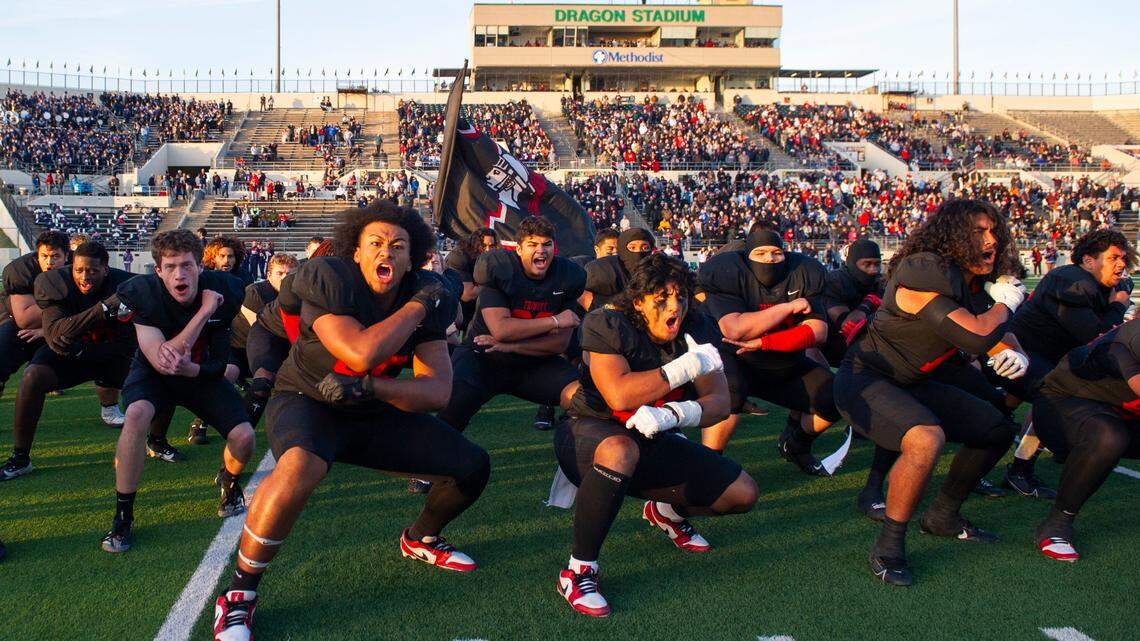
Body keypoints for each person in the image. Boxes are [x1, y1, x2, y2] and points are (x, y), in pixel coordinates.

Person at [212, 202, 488, 641]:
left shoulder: (427, 293)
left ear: (414, 255)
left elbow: (437, 392)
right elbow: (359, 353)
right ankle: (239, 595)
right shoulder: (331, 278)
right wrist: (415, 308)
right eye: (375, 243)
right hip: (307, 398)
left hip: (367, 406)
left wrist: (376, 390)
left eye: (399, 245)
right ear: (355, 252)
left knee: (472, 466)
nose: (387, 252)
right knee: (301, 466)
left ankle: (420, 538)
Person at [833, 199, 1028, 586]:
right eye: (978, 232)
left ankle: (943, 515)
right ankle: (889, 546)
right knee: (926, 438)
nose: (990, 240)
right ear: (953, 237)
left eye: (993, 231)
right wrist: (1005, 304)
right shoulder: (924, 269)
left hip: (912, 382)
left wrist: (1016, 351)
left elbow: (996, 332)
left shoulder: (973, 278)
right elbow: (974, 334)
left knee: (996, 429)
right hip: (866, 376)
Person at [554, 254, 757, 617]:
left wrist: (675, 413)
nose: (674, 306)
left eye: (680, 296)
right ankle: (579, 570)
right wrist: (686, 367)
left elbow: (721, 402)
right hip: (591, 433)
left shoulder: (698, 326)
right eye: (662, 298)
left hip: (654, 433)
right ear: (638, 302)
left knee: (742, 494)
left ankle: (666, 511)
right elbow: (620, 395)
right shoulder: (607, 322)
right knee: (619, 450)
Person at [102, 230, 255, 553]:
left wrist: (196, 370)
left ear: (200, 266)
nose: (179, 274)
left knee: (245, 436)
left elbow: (220, 361)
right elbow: (163, 360)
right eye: (170, 266)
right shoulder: (142, 292)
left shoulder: (226, 288)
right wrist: (203, 312)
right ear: (157, 271)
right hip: (153, 376)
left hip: (200, 374)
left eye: (186, 265)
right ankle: (123, 515)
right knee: (136, 413)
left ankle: (228, 481)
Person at [1, 242, 184, 482]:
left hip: (110, 354)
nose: (84, 277)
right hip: (71, 355)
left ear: (106, 270)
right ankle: (21, 457)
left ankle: (157, 441)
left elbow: (128, 342)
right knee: (33, 376)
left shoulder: (125, 284)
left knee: (163, 368)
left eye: (92, 271)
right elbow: (56, 337)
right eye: (79, 271)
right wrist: (104, 309)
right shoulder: (54, 282)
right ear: (71, 267)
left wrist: (80, 337)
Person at [991, 229, 1135, 498]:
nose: (1121, 264)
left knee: (1000, 413)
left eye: (1123, 258)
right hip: (1019, 354)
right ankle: (1020, 470)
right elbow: (1095, 337)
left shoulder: (1090, 283)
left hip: (1034, 355)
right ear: (1088, 260)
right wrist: (1118, 305)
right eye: (1113, 257)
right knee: (1058, 393)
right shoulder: (1074, 281)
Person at [698, 224, 842, 472]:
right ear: (747, 255)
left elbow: (817, 332)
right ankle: (708, 465)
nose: (770, 259)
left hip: (783, 362)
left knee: (834, 397)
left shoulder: (804, 272)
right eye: (761, 253)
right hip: (738, 359)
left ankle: (795, 444)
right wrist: (788, 307)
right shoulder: (729, 272)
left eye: (776, 253)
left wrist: (765, 341)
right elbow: (734, 329)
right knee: (729, 392)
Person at [438, 217, 585, 437]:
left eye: (546, 244)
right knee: (454, 405)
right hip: (483, 357)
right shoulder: (499, 269)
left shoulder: (566, 277)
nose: (541, 251)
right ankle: (425, 465)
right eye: (533, 244)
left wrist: (508, 346)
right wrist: (555, 321)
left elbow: (558, 344)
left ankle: (575, 464)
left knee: (583, 398)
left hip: (532, 364)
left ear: (555, 247)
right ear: (519, 249)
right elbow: (501, 329)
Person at [1031, 319, 1140, 563]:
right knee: (1109, 437)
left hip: (1119, 412)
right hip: (1061, 408)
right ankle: (1057, 523)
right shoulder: (1132, 339)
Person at [822, 239, 893, 519]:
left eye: (877, 264)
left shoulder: (881, 284)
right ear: (853, 264)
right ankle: (797, 439)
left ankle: (864, 427)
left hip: (869, 348)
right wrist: (867, 304)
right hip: (831, 347)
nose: (874, 270)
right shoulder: (836, 282)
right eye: (867, 264)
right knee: (823, 398)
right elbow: (846, 325)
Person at [229, 253, 299, 424]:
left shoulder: (299, 294)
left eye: (290, 274)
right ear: (268, 275)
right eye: (280, 273)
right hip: (239, 348)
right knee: (228, 375)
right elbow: (262, 330)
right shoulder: (256, 292)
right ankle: (201, 423)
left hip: (273, 346)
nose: (285, 279)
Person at [0, 232, 71, 400]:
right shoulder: (22, 270)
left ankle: (110, 407)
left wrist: (44, 330)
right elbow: (25, 319)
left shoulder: (79, 269)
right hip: (12, 318)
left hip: (56, 327)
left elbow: (90, 309)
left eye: (55, 256)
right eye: (44, 256)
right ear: (36, 254)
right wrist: (70, 304)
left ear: (67, 256)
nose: (49, 262)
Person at [580, 228, 654, 312]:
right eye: (632, 247)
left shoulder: (653, 275)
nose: (638, 252)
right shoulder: (595, 271)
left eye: (645, 248)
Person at [443, 228, 498, 335]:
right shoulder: (459, 257)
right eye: (483, 246)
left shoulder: (492, 258)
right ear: (475, 244)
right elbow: (468, 294)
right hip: (457, 311)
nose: (487, 250)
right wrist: (493, 282)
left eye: (491, 246)